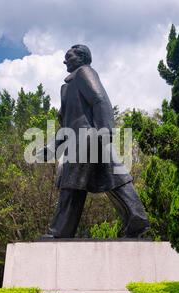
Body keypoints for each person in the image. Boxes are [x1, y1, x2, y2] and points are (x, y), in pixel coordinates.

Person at [39, 44, 150, 238]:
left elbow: (99, 99)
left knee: (72, 183)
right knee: (114, 179)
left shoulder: (84, 72)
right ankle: (137, 220)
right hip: (81, 137)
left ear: (81, 57)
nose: (65, 61)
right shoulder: (68, 86)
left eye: (69, 56)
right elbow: (66, 124)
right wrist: (52, 148)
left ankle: (60, 232)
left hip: (86, 137)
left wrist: (105, 130)